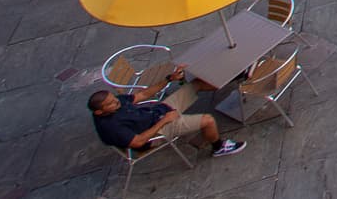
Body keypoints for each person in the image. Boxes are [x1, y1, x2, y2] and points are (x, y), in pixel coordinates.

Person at [89, 68, 244, 160]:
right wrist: (164, 121)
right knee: (208, 120)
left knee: (195, 84)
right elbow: (138, 142)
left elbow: (143, 95)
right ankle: (218, 148)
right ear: (99, 111)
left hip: (157, 112)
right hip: (157, 132)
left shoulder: (116, 102)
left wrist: (169, 79)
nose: (116, 102)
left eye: (113, 99)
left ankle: (239, 77)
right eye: (110, 103)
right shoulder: (110, 127)